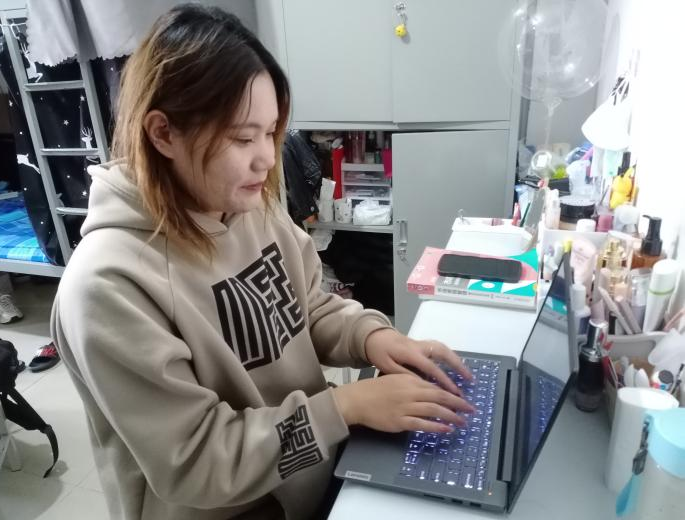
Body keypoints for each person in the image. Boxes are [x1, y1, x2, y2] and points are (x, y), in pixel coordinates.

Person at [51, 5, 473, 520]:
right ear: (163, 134)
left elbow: (309, 307)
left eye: (271, 133)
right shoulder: (107, 285)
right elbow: (196, 462)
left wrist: (373, 338)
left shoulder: (246, 204)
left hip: (310, 471)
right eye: (242, 138)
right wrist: (349, 406)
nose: (268, 159)